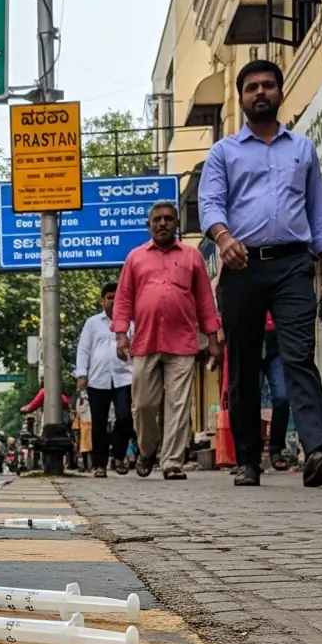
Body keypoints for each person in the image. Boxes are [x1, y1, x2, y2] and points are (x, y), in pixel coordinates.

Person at [199, 59, 322, 489]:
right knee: (244, 365)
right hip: (241, 267)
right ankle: (248, 460)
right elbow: (210, 204)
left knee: (298, 354)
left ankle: (319, 448)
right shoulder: (224, 152)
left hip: (293, 265)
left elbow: (318, 213)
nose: (260, 92)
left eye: (268, 85)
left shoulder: (302, 148)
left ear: (280, 93)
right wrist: (224, 238)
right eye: (252, 87)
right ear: (242, 98)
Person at [112, 199, 221, 480]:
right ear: (149, 225)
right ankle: (147, 449)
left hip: (182, 342)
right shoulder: (135, 257)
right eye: (157, 219)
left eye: (168, 219)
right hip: (145, 341)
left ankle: (172, 462)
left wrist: (212, 339)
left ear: (176, 224)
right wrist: (121, 335)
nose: (163, 223)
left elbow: (205, 301)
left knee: (178, 405)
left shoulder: (192, 257)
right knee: (143, 405)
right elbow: (123, 300)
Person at [76, 281, 134, 478]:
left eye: (117, 298)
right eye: (109, 298)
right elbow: (83, 349)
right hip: (97, 379)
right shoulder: (92, 323)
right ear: (102, 301)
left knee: (125, 418)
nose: (113, 302)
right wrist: (81, 375)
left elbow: (136, 347)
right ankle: (99, 464)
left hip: (124, 378)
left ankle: (118, 455)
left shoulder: (130, 323)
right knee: (99, 423)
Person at [261, 312, 291, 471]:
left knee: (282, 397)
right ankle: (250, 455)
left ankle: (276, 449)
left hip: (277, 338)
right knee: (249, 398)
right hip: (251, 336)